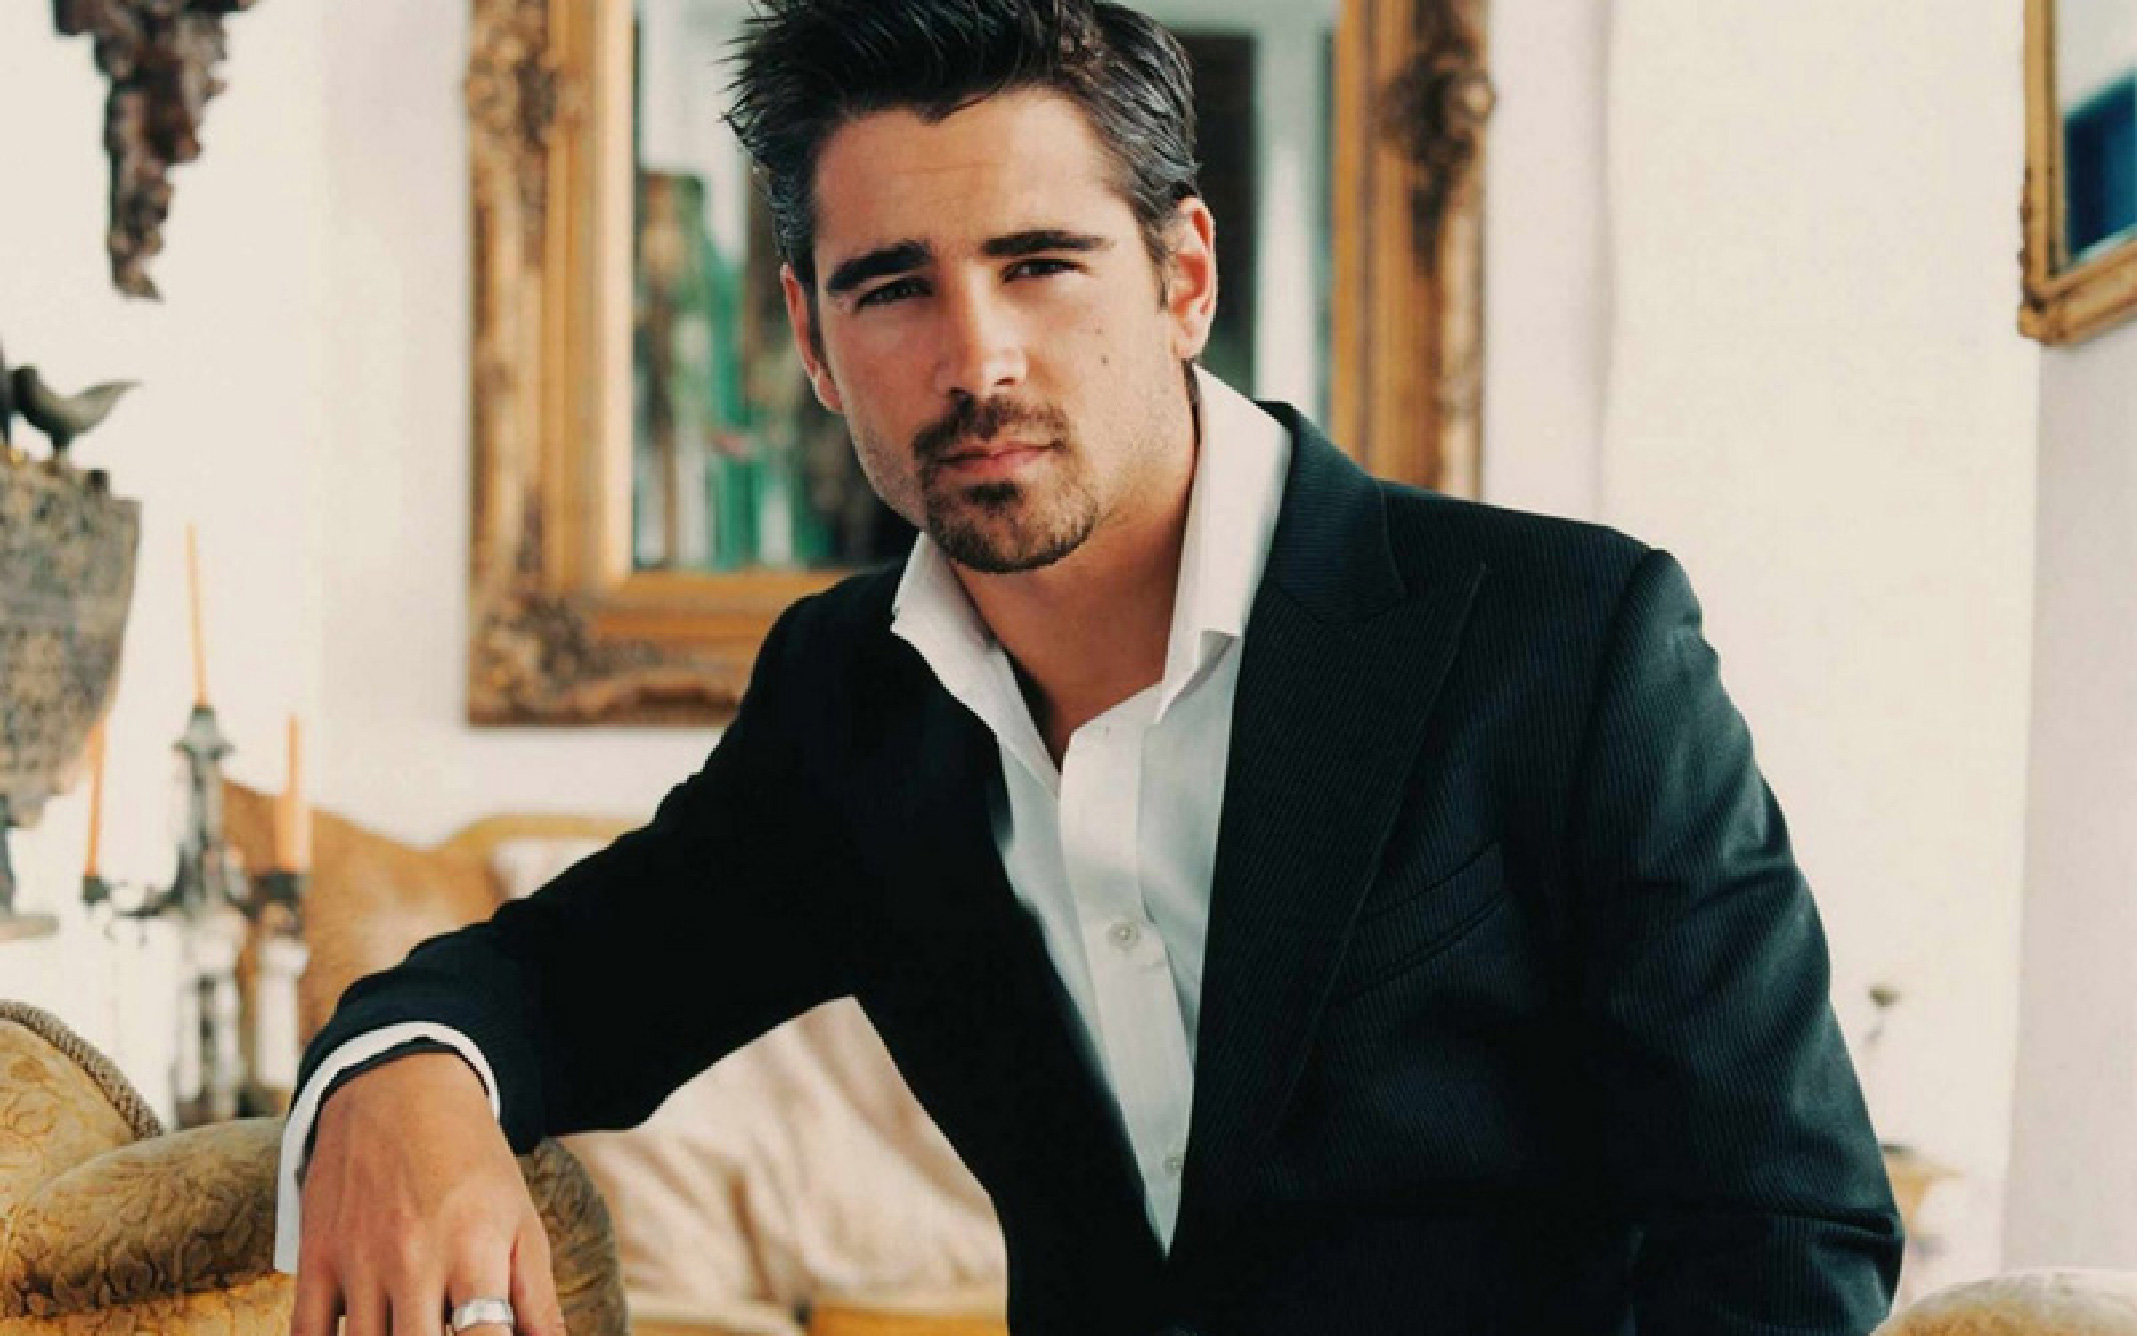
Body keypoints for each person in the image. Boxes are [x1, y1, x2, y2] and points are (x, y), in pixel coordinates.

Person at [278, 2, 1903, 1333]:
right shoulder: (851, 698)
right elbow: (566, 981)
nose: (975, 358)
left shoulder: (1562, 639)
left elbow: (1784, 1233)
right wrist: (407, 1074)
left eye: (1040, 264)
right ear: (811, 339)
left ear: (1183, 277)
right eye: (892, 288)